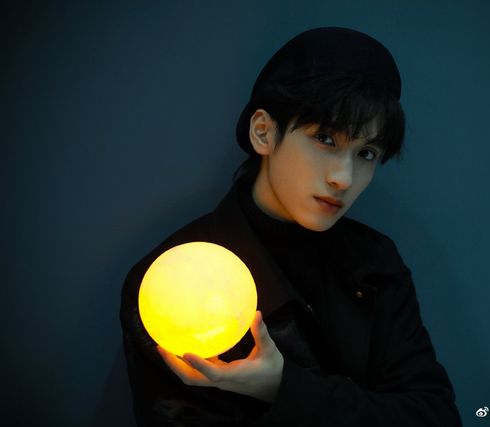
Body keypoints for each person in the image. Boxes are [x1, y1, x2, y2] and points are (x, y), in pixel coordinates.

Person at [120, 27, 462, 426]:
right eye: (325, 139)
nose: (344, 178)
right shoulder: (169, 288)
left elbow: (435, 416)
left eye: (367, 153)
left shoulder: (375, 261)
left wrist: (283, 386)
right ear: (263, 132)